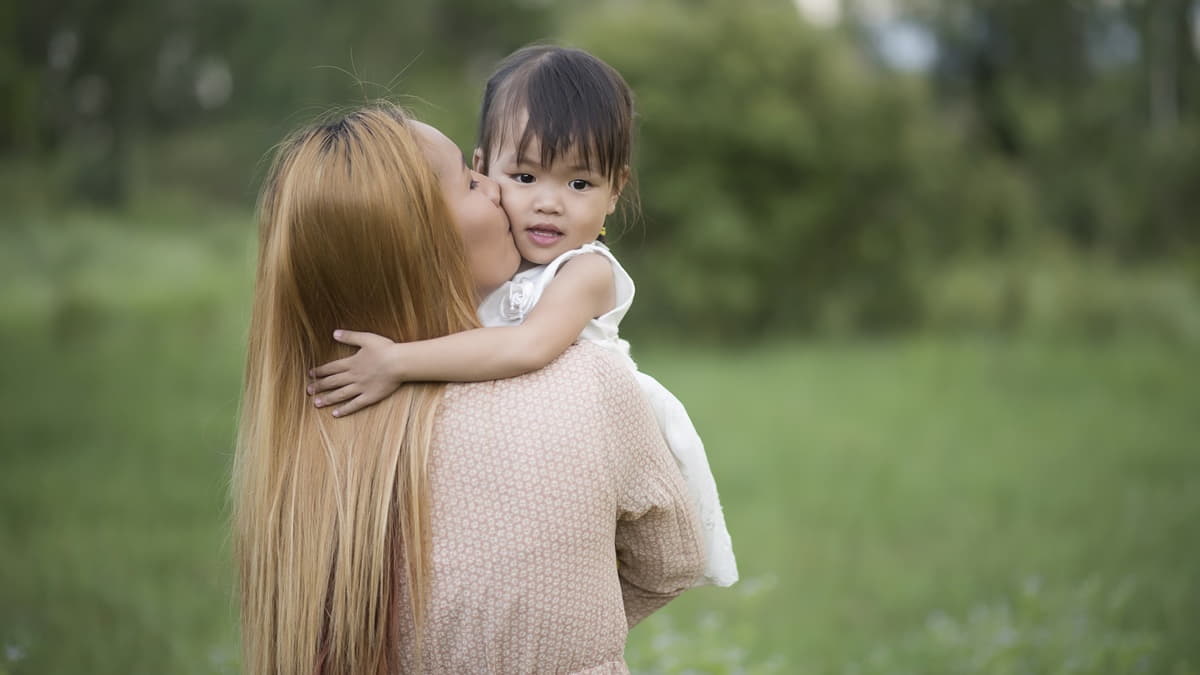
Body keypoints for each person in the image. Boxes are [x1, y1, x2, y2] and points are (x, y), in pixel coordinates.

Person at [233, 103, 704, 674]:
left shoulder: (307, 423)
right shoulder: (586, 383)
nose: (500, 192)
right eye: (470, 177)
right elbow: (671, 561)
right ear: (421, 235)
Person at [307, 45, 738, 588]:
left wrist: (395, 361)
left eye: (579, 184)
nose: (549, 202)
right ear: (484, 169)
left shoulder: (586, 272)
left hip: (589, 447)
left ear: (615, 191)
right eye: (526, 177)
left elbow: (527, 347)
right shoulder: (493, 255)